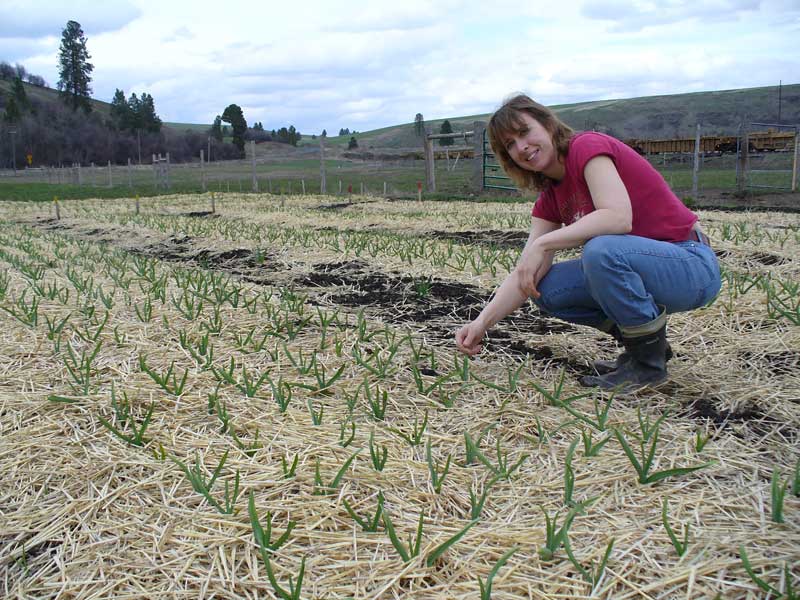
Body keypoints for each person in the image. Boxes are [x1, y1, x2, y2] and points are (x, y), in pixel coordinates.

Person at [455, 94, 721, 392]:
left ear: (547, 124)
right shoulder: (550, 196)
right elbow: (525, 273)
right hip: (648, 270)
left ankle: (647, 368)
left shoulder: (587, 147)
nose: (521, 147)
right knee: (543, 287)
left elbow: (618, 218)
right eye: (510, 145)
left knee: (601, 250)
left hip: (691, 266)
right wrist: (480, 324)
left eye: (524, 132)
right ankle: (646, 349)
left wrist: (545, 244)